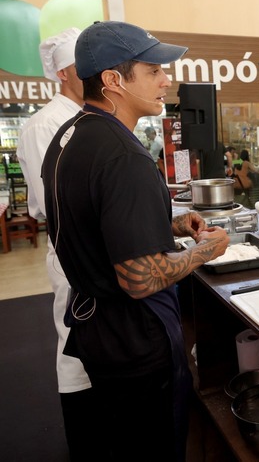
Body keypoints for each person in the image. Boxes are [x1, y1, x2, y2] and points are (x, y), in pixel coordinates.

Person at [40, 21, 230, 460]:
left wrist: (170, 226)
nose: (167, 81)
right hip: (134, 340)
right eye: (153, 70)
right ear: (113, 81)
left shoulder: (70, 137)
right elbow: (139, 278)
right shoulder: (125, 157)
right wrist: (206, 250)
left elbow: (96, 223)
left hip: (96, 330)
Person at [16, 27, 109, 460]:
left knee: (98, 346)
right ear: (69, 72)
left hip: (96, 248)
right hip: (72, 251)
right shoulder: (44, 125)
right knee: (74, 347)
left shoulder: (82, 118)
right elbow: (57, 203)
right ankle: (84, 442)